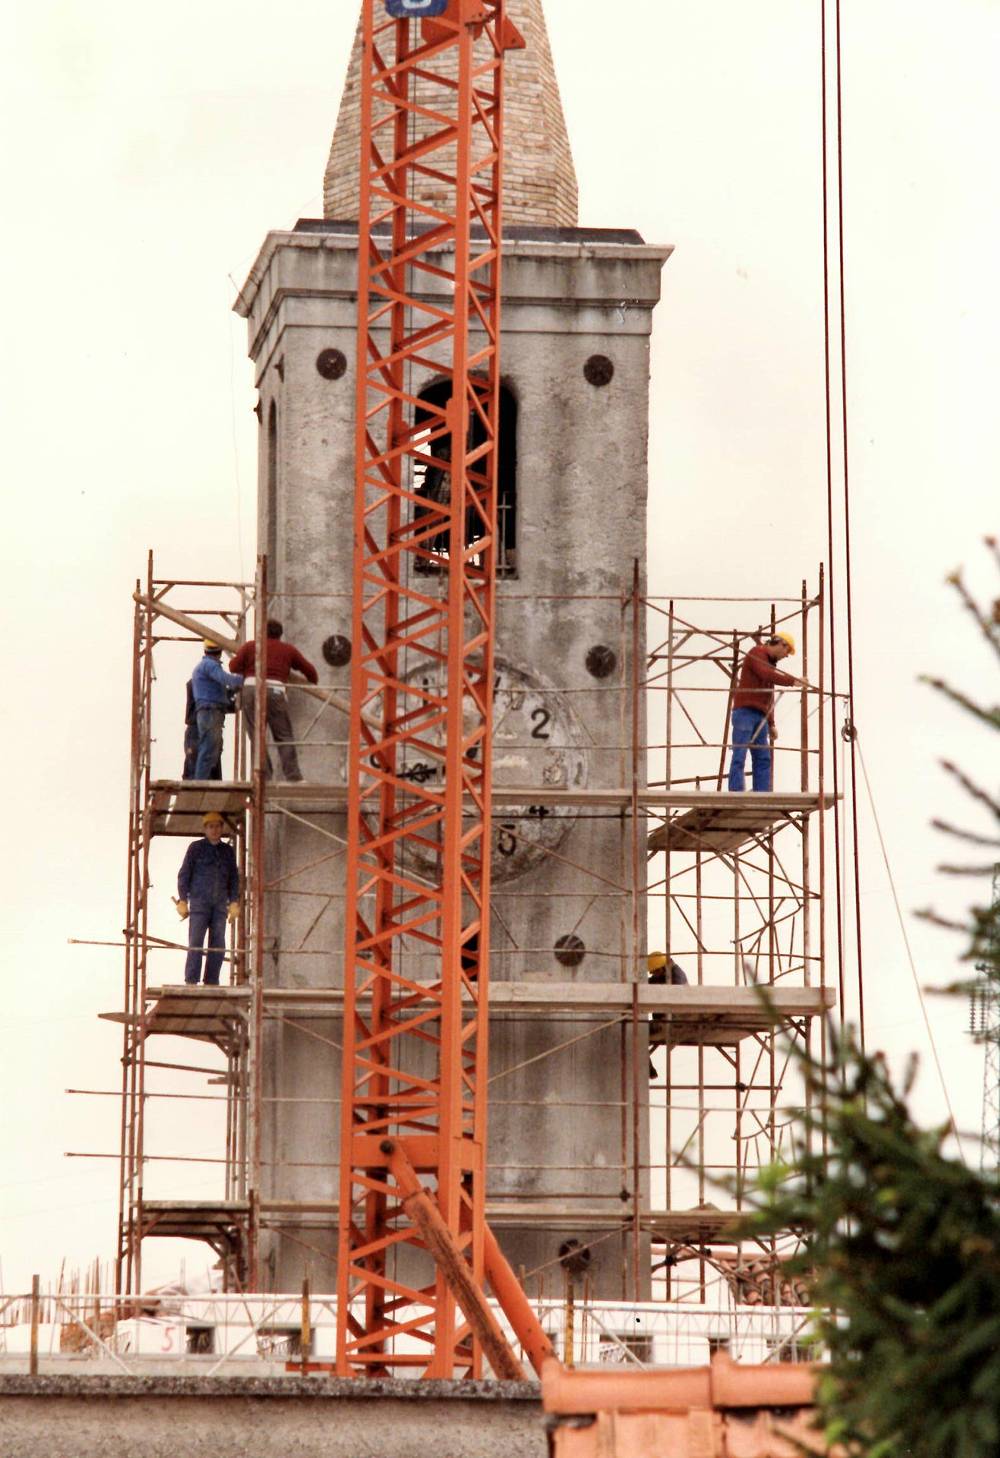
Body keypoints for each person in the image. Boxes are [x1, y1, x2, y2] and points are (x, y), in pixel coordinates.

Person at [229, 620, 318, 782]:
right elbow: (310, 671)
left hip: (251, 689)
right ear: (280, 634)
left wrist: (248, 667)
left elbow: (233, 667)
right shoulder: (288, 650)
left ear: (262, 632)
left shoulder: (250, 646)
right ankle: (293, 776)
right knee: (284, 736)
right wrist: (313, 680)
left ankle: (263, 777)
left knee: (257, 736)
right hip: (276, 691)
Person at [726, 632, 806, 793]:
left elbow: (768, 694)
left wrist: (771, 723)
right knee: (739, 753)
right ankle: (736, 791)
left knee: (763, 757)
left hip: (760, 715)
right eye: (786, 651)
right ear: (780, 644)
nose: (785, 656)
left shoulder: (770, 664)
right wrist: (792, 681)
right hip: (745, 711)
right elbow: (765, 674)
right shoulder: (757, 653)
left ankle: (761, 792)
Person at [176, 812, 240, 986]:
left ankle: (211, 981)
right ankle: (191, 980)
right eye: (211, 827)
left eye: (218, 826)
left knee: (218, 944)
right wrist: (183, 900)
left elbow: (234, 878)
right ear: (205, 829)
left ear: (222, 828)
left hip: (220, 905)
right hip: (199, 904)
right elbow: (184, 875)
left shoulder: (227, 851)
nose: (215, 830)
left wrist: (234, 901)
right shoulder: (196, 848)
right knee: (196, 941)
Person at [191, 641, 244, 781]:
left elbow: (221, 690)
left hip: (209, 712)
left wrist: (233, 690)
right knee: (209, 749)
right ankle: (200, 783)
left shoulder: (204, 667)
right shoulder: (210, 665)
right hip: (210, 712)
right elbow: (227, 679)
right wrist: (247, 679)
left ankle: (201, 781)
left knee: (211, 749)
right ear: (219, 652)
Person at [647, 950, 688, 1079]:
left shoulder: (677, 976)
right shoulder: (663, 975)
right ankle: (648, 1068)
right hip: (665, 1019)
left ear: (663, 968)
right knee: (637, 1032)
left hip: (674, 1019)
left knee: (638, 1033)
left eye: (655, 971)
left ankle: (647, 1069)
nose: (654, 975)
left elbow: (675, 996)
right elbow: (649, 983)